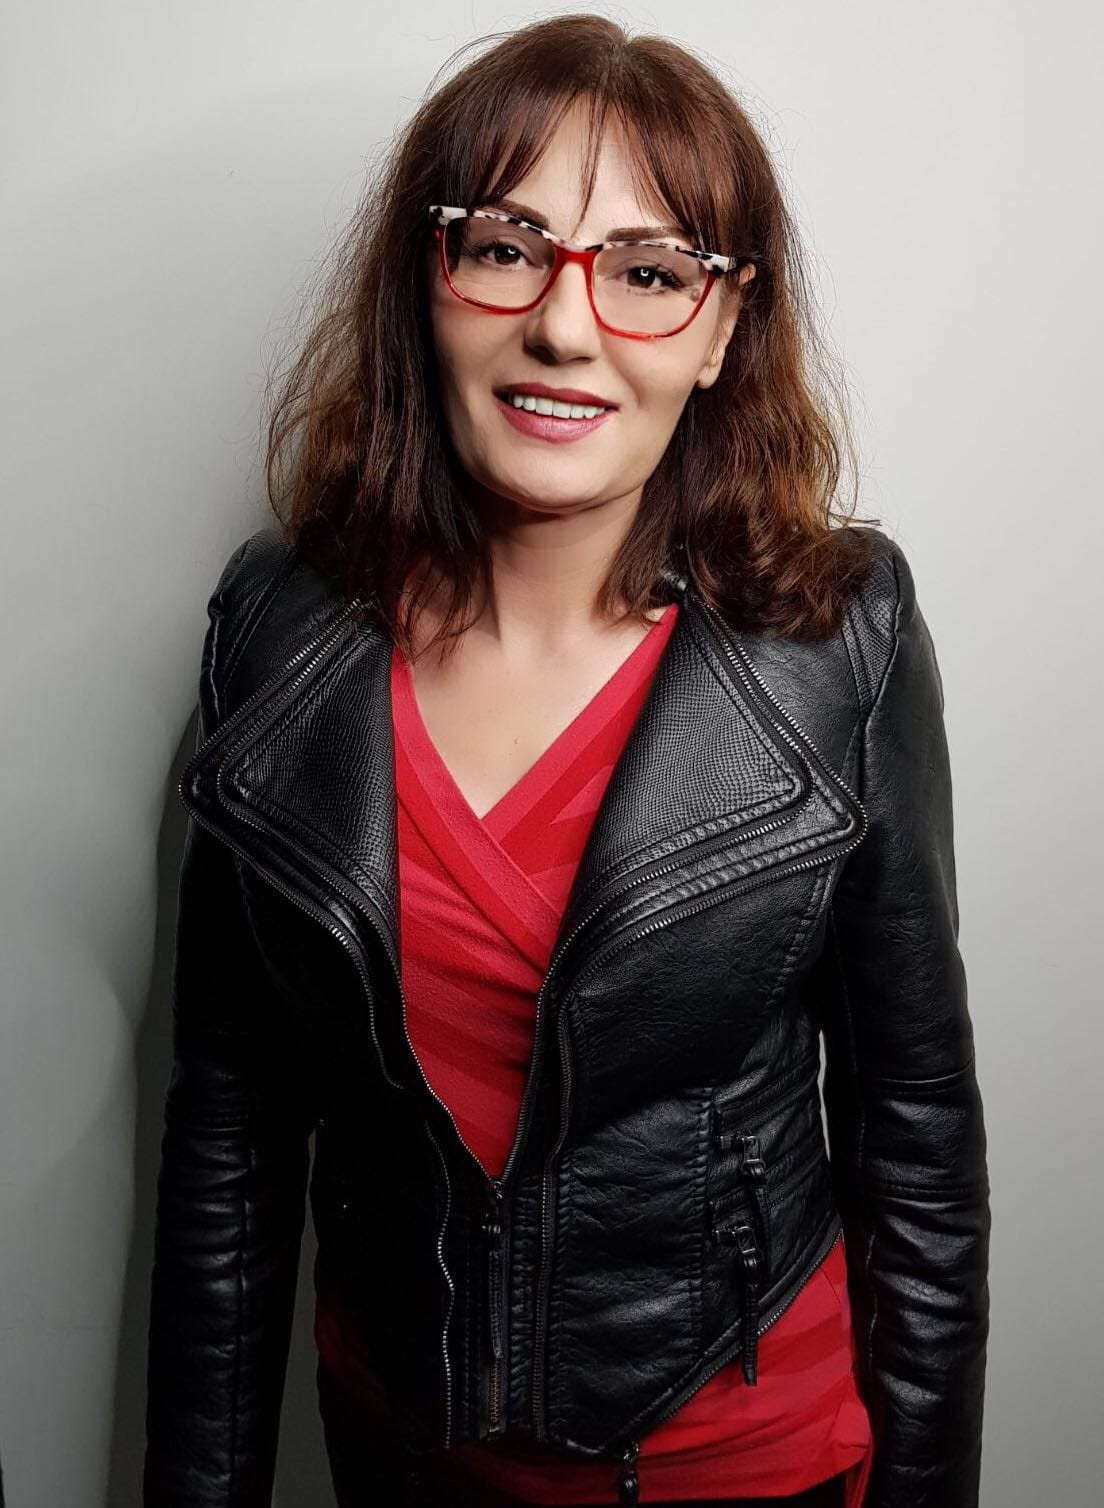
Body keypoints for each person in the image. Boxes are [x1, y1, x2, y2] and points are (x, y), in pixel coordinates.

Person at [142, 14, 991, 1508]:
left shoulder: (838, 639)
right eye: (507, 247)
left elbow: (914, 1139)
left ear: (723, 330)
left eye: (650, 273)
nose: (566, 327)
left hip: (744, 1470)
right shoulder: (274, 630)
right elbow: (231, 1138)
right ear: (429, 279)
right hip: (397, 1453)